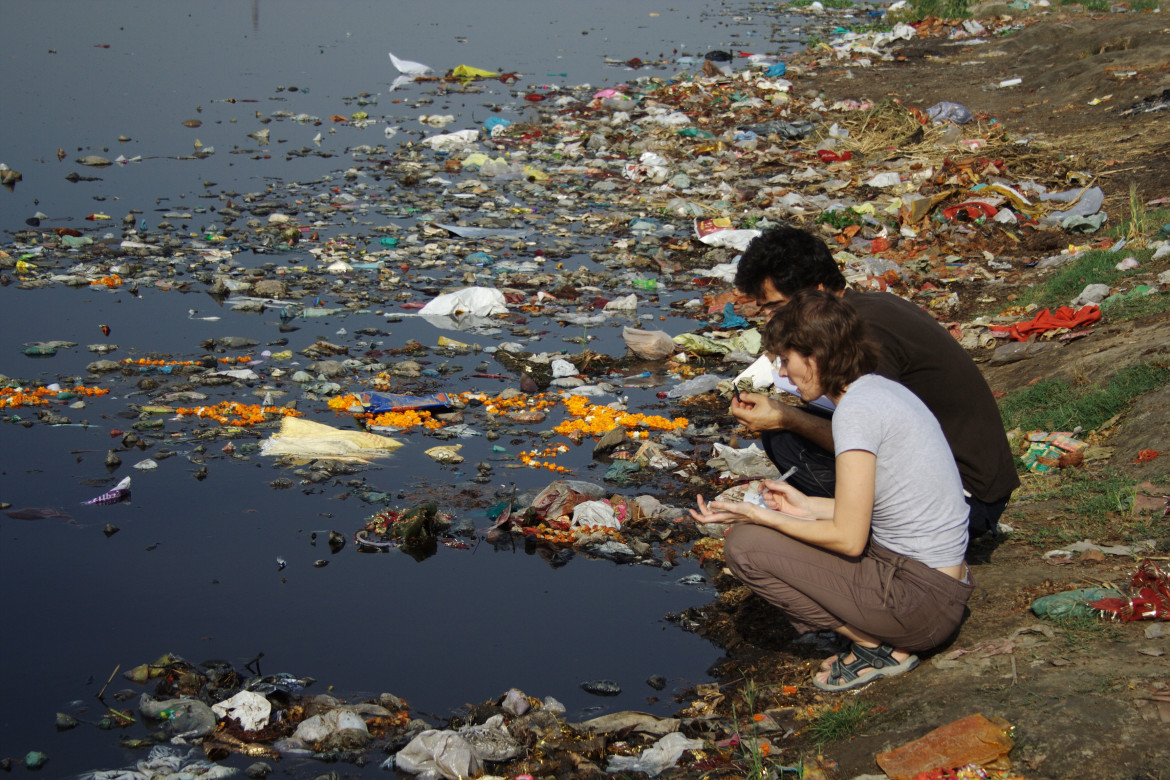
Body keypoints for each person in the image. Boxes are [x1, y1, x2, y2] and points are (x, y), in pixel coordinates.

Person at [691, 290, 974, 691]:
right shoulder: (880, 390)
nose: (783, 374)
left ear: (815, 355)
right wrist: (805, 505)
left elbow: (848, 539)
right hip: (940, 585)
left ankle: (874, 647)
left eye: (786, 361)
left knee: (744, 546)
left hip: (920, 606)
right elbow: (888, 504)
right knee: (778, 524)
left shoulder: (855, 414)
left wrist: (756, 514)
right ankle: (878, 637)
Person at [731, 227, 1018, 539]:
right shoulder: (864, 309)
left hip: (963, 501)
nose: (772, 321)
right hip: (958, 478)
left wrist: (785, 417)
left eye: (776, 307)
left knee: (786, 437)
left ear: (818, 289)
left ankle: (856, 535)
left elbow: (874, 441)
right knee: (787, 431)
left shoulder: (859, 335)